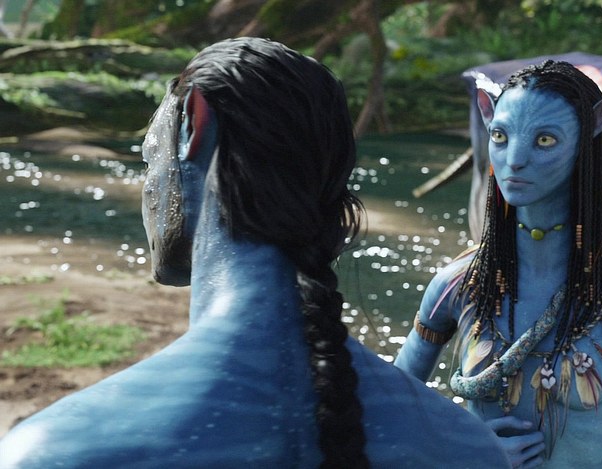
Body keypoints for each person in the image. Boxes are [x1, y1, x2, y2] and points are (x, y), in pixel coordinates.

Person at [0, 38, 510, 468]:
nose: (147, 185)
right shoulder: (466, 447)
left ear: (194, 122)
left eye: (147, 156)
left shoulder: (54, 452)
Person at [394, 60, 602, 468]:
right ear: (487, 118)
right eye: (500, 136)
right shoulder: (458, 286)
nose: (515, 158)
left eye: (544, 140)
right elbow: (382, 419)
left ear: (593, 129)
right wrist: (462, 449)